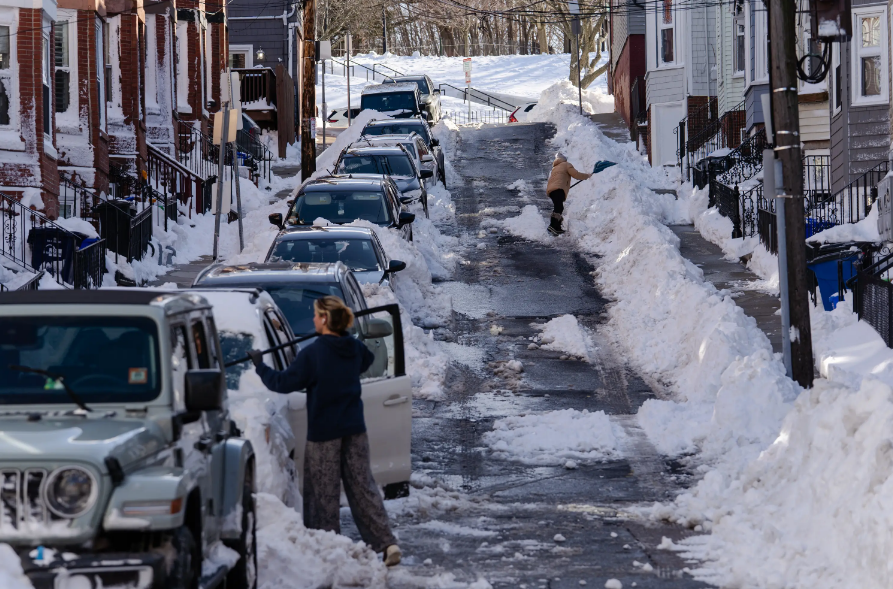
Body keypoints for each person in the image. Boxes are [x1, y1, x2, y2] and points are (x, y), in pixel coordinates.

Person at [247, 296, 402, 566]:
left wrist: (260, 365)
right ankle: (387, 544)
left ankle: (326, 551)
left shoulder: (314, 354)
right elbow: (365, 360)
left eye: (317, 316)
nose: (314, 320)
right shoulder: (353, 348)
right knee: (363, 487)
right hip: (354, 429)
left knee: (323, 494)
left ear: (326, 320)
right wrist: (345, 340)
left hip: (324, 433)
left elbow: (283, 383)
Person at [545, 152, 592, 235]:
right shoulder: (566, 164)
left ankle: (556, 227)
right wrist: (587, 176)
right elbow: (576, 174)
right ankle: (553, 226)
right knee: (559, 207)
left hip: (551, 190)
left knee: (559, 207)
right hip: (558, 189)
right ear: (564, 159)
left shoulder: (555, 167)